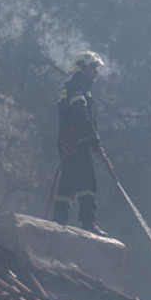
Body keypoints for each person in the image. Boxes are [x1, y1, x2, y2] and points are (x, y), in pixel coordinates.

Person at [52, 50, 105, 234]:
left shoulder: (74, 86)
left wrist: (93, 137)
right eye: (93, 68)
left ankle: (58, 221)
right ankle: (88, 223)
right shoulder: (78, 88)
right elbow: (80, 113)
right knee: (88, 182)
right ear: (82, 68)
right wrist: (92, 136)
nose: (96, 73)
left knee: (68, 180)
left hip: (69, 143)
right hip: (77, 143)